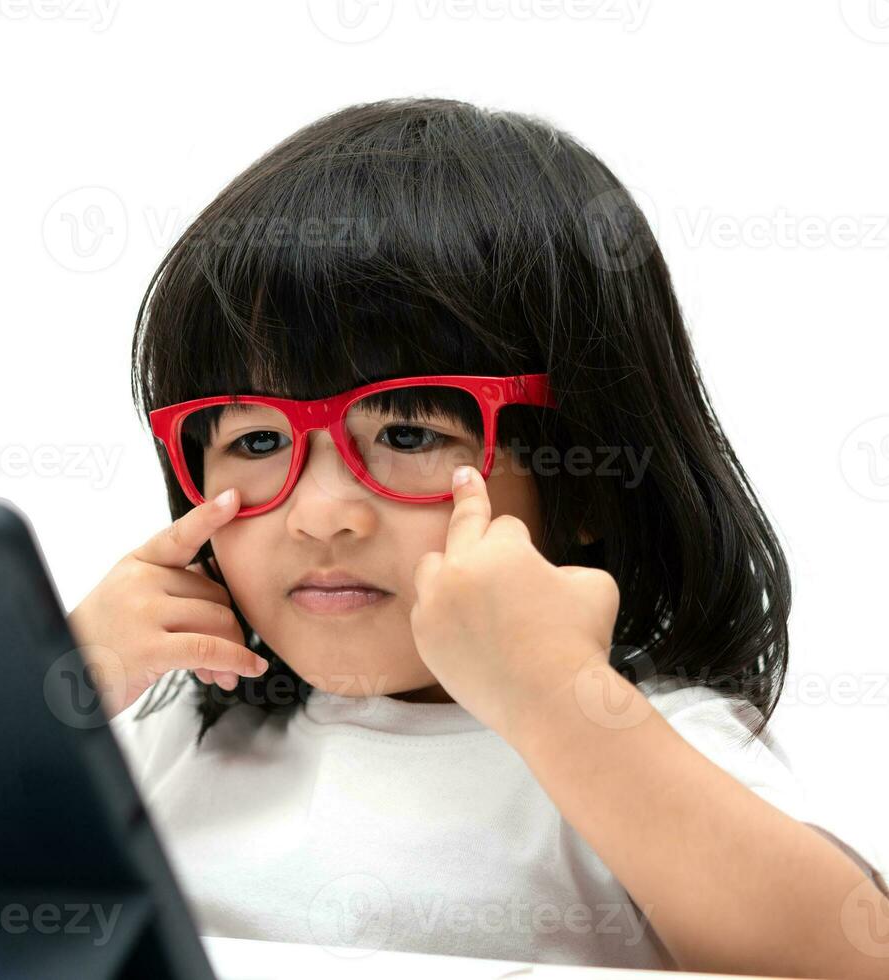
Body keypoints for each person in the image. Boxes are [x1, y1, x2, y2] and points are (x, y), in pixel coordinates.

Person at [67, 97, 889, 975]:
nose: (320, 514)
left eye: (410, 435)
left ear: (580, 474)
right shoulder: (179, 734)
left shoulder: (642, 742)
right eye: (259, 441)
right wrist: (40, 691)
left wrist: (553, 693)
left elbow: (851, 957)